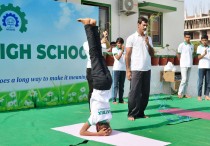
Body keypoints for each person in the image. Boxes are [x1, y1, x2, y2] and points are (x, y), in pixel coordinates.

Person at [78, 18, 112, 136]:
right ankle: (87, 25)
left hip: (108, 83)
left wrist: (107, 129)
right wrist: (97, 134)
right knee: (94, 53)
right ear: (97, 126)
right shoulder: (94, 118)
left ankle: (92, 25)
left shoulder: (108, 117)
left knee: (97, 53)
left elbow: (107, 125)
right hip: (100, 82)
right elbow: (82, 132)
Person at [125, 16, 154, 121]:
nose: (145, 26)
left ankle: (141, 112)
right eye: (143, 24)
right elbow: (127, 55)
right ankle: (131, 114)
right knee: (134, 92)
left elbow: (152, 53)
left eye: (146, 25)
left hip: (147, 69)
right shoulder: (131, 38)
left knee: (145, 93)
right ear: (138, 25)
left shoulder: (149, 38)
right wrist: (128, 70)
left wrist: (148, 44)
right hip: (136, 69)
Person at [83, 32, 110, 110]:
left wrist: (106, 38)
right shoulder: (85, 44)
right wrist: (102, 40)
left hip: (99, 69)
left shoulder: (99, 43)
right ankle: (91, 109)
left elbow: (108, 47)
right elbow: (93, 49)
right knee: (92, 90)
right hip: (90, 69)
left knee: (100, 90)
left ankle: (99, 107)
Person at [177, 32, 194, 98]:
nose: (188, 38)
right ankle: (179, 93)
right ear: (184, 37)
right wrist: (180, 61)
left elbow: (191, 54)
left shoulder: (192, 45)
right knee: (184, 79)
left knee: (187, 80)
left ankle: (185, 93)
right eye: (186, 37)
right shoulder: (181, 45)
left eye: (189, 37)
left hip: (189, 64)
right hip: (183, 65)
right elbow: (178, 53)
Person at [112, 37, 126, 104]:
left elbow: (126, 58)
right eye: (117, 43)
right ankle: (114, 100)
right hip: (116, 69)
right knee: (115, 85)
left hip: (123, 69)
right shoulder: (114, 49)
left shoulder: (125, 50)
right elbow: (117, 58)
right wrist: (122, 51)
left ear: (122, 43)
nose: (119, 44)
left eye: (120, 43)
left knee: (121, 85)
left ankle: (121, 100)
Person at [197, 34, 210, 101]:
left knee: (208, 82)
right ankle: (199, 96)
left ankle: (207, 95)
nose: (204, 41)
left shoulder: (209, 47)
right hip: (201, 67)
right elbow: (198, 57)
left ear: (207, 41)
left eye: (205, 40)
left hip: (208, 67)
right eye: (203, 40)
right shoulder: (199, 47)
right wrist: (204, 54)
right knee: (200, 82)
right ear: (201, 41)